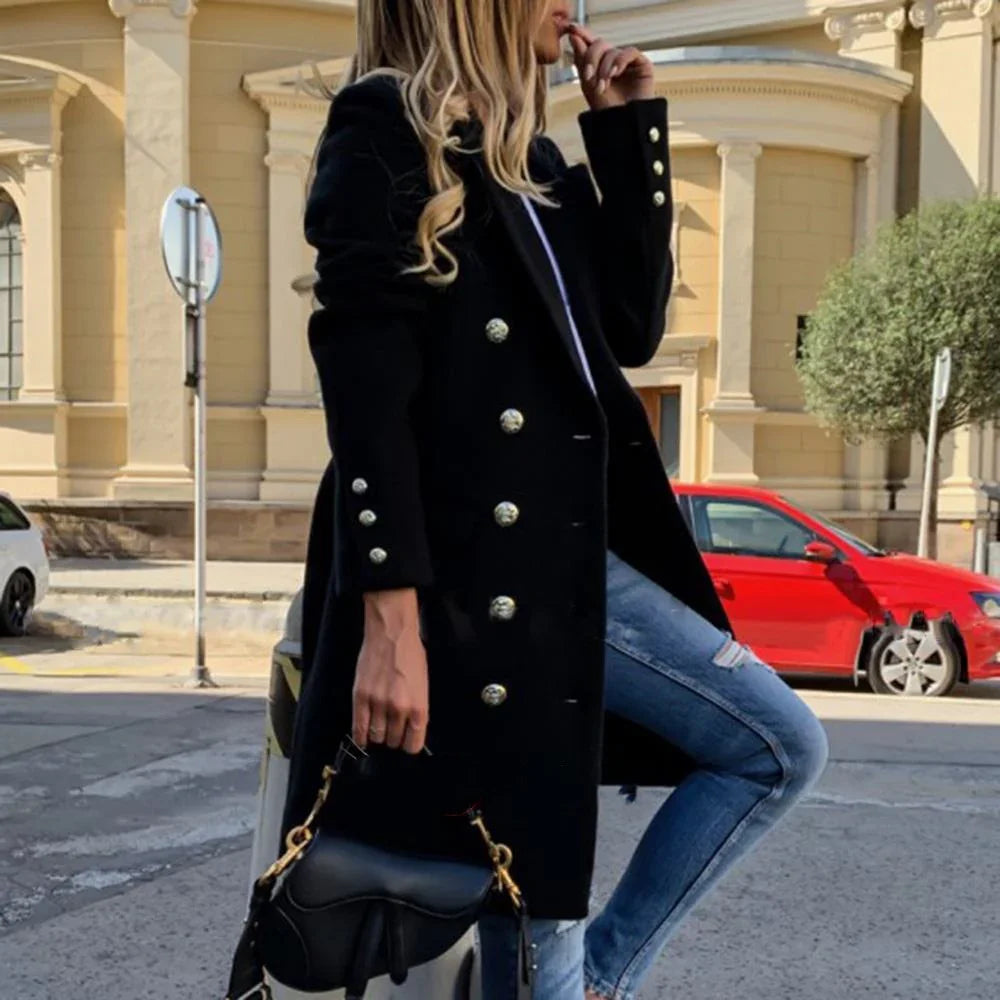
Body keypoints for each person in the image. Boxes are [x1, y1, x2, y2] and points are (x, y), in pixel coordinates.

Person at [282, 2, 830, 998]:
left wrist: (626, 130)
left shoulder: (524, 156)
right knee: (531, 879)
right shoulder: (383, 125)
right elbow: (366, 398)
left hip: (563, 567)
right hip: (473, 586)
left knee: (759, 754)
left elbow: (628, 325)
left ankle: (595, 984)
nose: (571, 9)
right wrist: (390, 624)